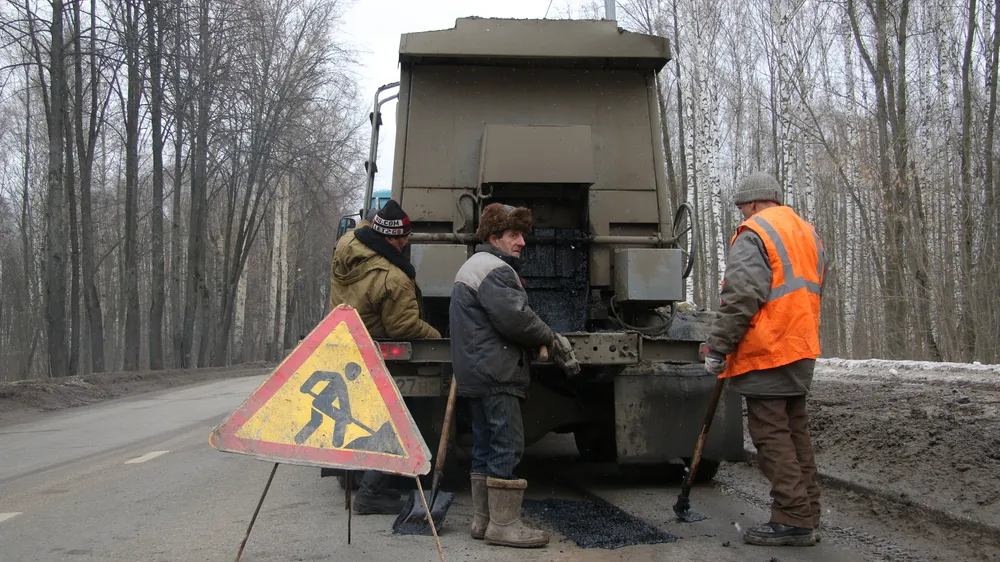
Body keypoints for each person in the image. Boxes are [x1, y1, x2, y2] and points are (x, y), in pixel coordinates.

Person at [703, 171, 826, 547]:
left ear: (754, 203)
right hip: (801, 346)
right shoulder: (807, 232)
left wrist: (719, 345)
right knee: (795, 433)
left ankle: (792, 519)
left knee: (772, 435)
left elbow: (741, 295)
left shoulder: (755, 232)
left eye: (742, 207)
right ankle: (808, 511)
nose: (742, 215)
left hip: (767, 349)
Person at [449, 202, 579, 548]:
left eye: (522, 235)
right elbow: (516, 318)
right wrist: (550, 337)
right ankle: (504, 525)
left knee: (485, 444)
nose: (522, 242)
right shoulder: (495, 270)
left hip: (477, 371)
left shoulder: (474, 265)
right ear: (494, 237)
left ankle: (483, 520)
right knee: (507, 444)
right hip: (497, 372)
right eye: (514, 235)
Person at [328, 199, 441, 515]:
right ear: (392, 238)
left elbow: (365, 227)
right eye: (403, 237)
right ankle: (370, 493)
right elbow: (403, 325)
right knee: (394, 419)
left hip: (347, 342)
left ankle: (370, 480)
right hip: (379, 353)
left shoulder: (347, 244)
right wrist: (440, 339)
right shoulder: (393, 277)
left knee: (363, 417)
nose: (406, 243)